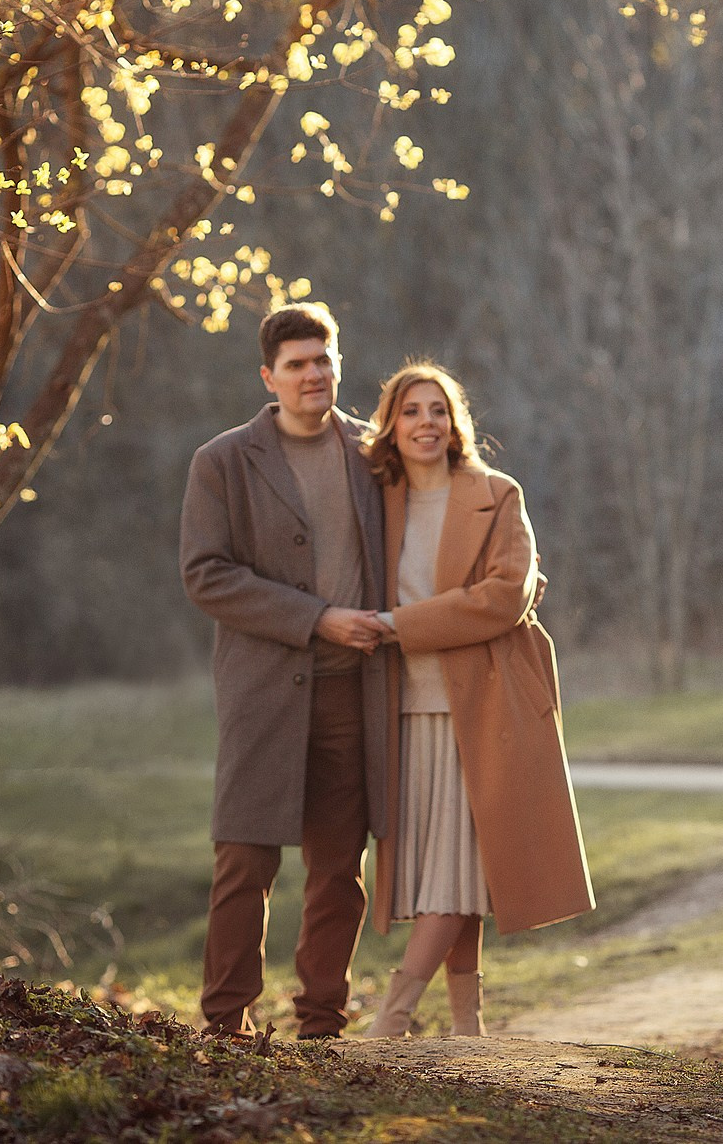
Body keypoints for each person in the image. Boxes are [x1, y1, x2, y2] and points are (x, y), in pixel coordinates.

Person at [360, 361, 594, 1038]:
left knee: (454, 868)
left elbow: (504, 596)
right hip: (405, 709)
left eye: (438, 409)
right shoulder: (377, 502)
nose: (425, 423)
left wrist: (398, 625)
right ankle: (469, 1029)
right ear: (391, 425)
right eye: (410, 411)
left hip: (487, 704)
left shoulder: (496, 494)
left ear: (455, 420)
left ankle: (393, 1018)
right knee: (453, 870)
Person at [180, 302, 390, 1039]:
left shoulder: (375, 453)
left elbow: (437, 517)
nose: (313, 375)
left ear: (339, 365)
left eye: (323, 360)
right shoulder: (223, 461)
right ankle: (225, 1024)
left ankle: (322, 1025)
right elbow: (206, 576)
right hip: (263, 691)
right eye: (297, 365)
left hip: (353, 691)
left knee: (338, 868)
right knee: (244, 860)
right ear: (269, 377)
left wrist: (508, 566)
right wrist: (316, 617)